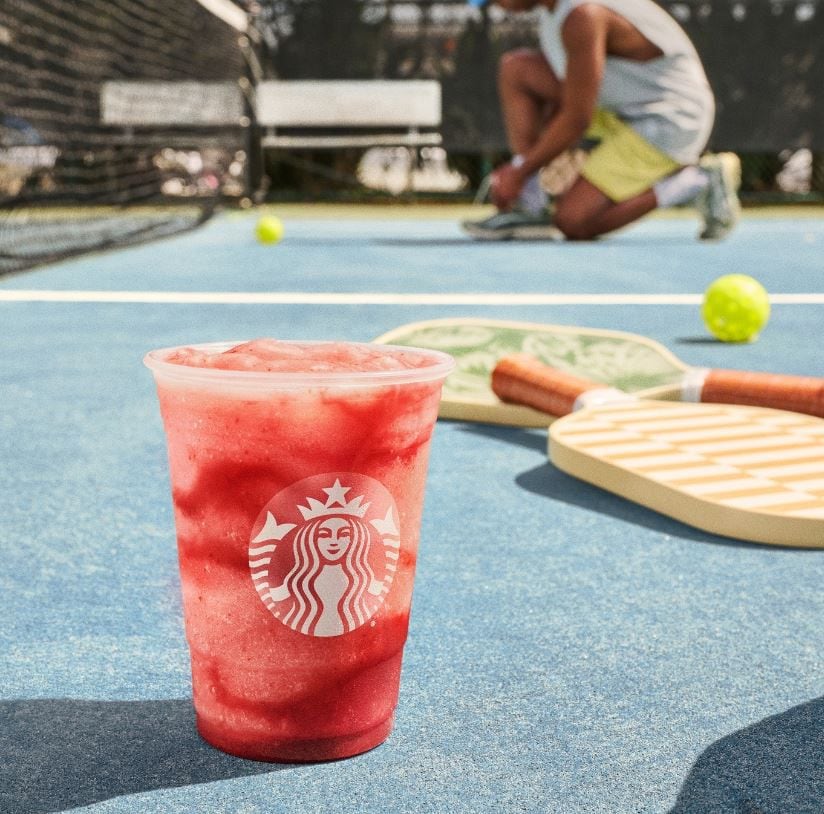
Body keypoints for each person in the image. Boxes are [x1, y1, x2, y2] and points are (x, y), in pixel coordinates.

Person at [462, 0, 740, 241]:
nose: (497, 5)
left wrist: (517, 172)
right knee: (517, 70)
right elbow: (563, 99)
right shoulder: (554, 15)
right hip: (620, 108)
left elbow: (576, 118)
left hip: (671, 118)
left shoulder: (584, 16)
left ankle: (698, 179)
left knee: (573, 222)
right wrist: (526, 172)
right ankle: (530, 206)